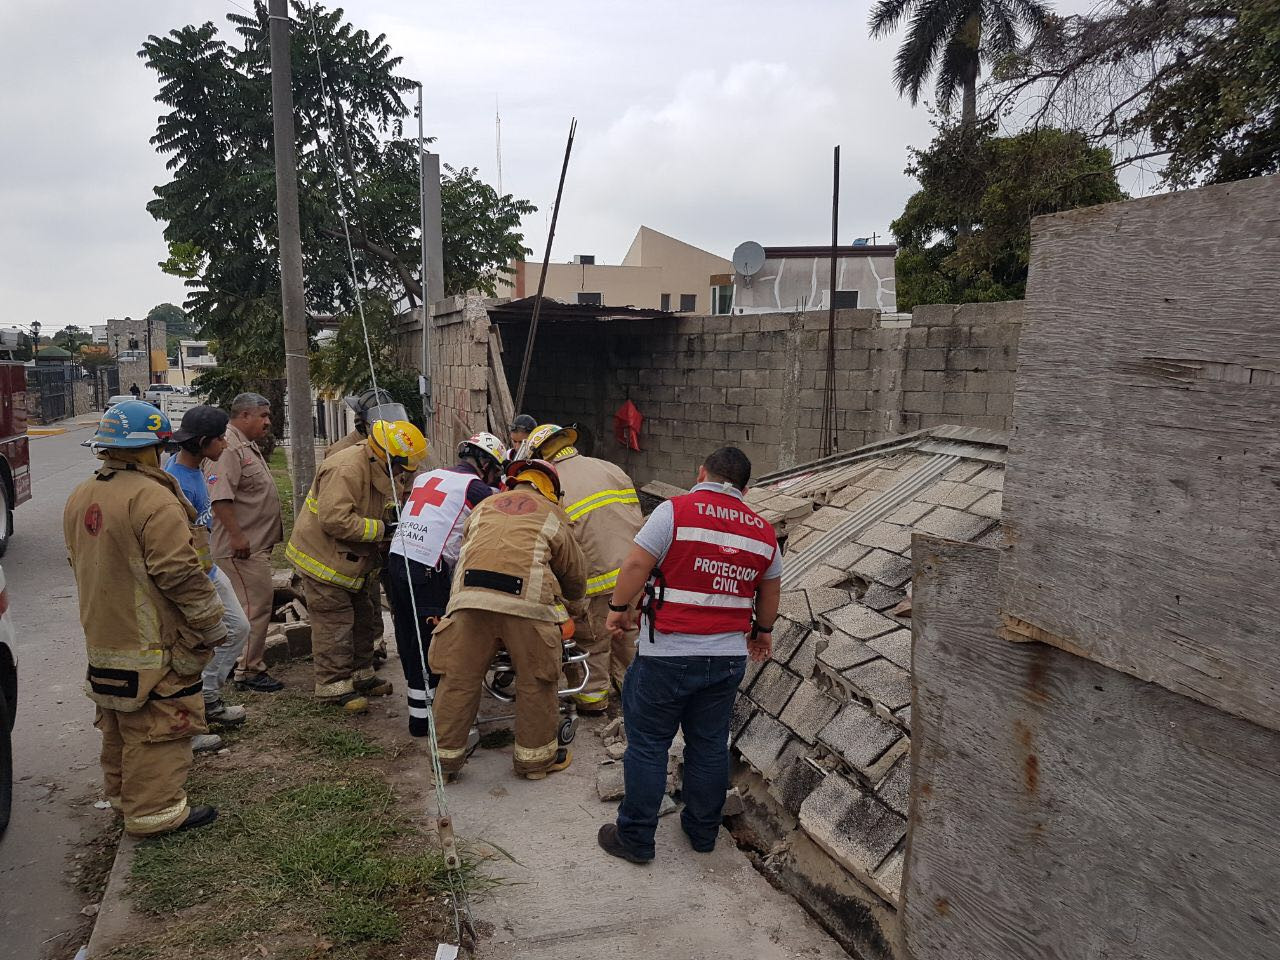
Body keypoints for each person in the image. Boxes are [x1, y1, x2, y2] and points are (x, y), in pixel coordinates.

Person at [596, 446, 781, 865]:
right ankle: (702, 833)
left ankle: (637, 839)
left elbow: (635, 565)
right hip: (727, 658)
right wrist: (763, 633)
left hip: (667, 654)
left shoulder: (674, 511)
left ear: (702, 472)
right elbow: (770, 589)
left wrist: (618, 610)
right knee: (710, 746)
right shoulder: (762, 531)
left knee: (647, 746)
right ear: (745, 489)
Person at [64, 400, 227, 837]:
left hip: (104, 637)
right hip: (153, 643)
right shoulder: (153, 497)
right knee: (160, 727)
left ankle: (122, 800)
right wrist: (212, 624)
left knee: (118, 724)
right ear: (152, 448)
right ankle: (157, 812)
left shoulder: (84, 493)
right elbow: (178, 571)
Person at [428, 458, 586, 780]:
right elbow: (575, 577)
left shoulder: (484, 505)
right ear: (551, 490)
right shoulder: (553, 513)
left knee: (457, 680)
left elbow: (468, 549)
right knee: (537, 681)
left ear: (514, 482)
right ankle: (535, 764)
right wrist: (571, 598)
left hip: (469, 601)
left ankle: (443, 766)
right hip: (527, 608)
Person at [286, 419, 428, 712]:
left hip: (354, 561)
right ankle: (333, 686)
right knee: (334, 622)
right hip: (323, 559)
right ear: (385, 456)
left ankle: (362, 675)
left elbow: (382, 500)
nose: (403, 474)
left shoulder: (381, 467)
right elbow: (335, 519)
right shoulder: (347, 468)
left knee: (365, 616)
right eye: (401, 467)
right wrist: (382, 529)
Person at [385, 432, 505, 737]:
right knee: (435, 644)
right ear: (486, 463)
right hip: (426, 569)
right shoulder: (474, 486)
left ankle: (419, 720)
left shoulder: (429, 477)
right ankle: (438, 721)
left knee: (409, 639)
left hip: (397, 560)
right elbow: (504, 507)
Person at [526, 422, 643, 715]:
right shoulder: (610, 468)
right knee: (627, 636)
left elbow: (557, 542)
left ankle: (592, 701)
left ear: (539, 456)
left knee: (593, 642)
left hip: (593, 580)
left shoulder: (549, 485)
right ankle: (632, 695)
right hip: (633, 573)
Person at [165, 405, 252, 739]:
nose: (225, 446)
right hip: (195, 578)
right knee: (193, 649)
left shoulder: (197, 469)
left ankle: (209, 698)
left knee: (237, 628)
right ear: (202, 442)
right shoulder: (178, 485)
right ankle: (194, 716)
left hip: (210, 570)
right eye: (219, 440)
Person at [205, 393, 285, 693]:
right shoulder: (230, 447)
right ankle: (247, 669)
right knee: (254, 608)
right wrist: (237, 536)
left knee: (252, 606)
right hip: (240, 548)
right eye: (262, 416)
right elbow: (220, 497)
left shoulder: (244, 444)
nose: (267, 421)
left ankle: (242, 665)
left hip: (253, 545)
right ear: (244, 416)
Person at [327, 387, 405, 665]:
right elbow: (336, 510)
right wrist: (378, 531)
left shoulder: (396, 447)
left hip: (393, 537)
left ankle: (402, 642)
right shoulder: (343, 453)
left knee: (399, 595)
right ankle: (372, 648)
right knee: (367, 599)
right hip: (363, 538)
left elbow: (405, 486)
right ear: (364, 422)